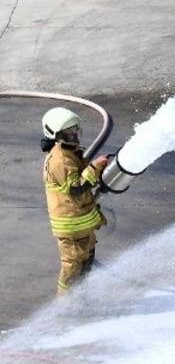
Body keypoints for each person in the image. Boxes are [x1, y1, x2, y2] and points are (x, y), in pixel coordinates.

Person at [41, 108, 108, 294]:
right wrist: (95, 168)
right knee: (72, 267)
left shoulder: (71, 152)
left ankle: (81, 297)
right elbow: (76, 188)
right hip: (71, 227)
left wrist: (98, 169)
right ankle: (65, 305)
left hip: (81, 223)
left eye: (75, 129)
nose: (74, 133)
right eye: (69, 131)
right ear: (55, 133)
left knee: (86, 262)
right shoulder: (60, 160)